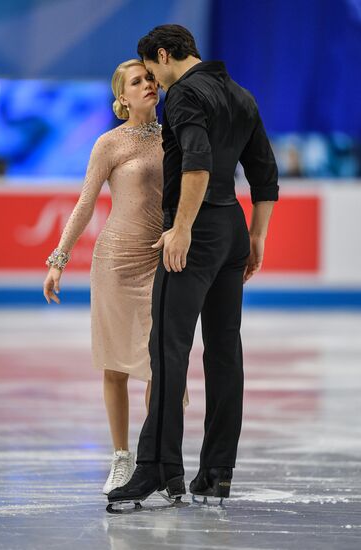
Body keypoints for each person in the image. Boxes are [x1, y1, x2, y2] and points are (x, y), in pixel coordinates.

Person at [108, 24, 279, 507]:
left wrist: (181, 228)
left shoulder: (183, 95)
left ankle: (156, 469)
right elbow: (265, 173)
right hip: (232, 231)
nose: (155, 84)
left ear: (163, 54)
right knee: (225, 351)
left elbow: (198, 163)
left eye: (154, 70)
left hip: (197, 229)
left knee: (168, 349)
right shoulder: (241, 95)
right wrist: (256, 237)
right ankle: (217, 472)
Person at [43, 58, 187, 496]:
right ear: (122, 97)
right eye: (136, 81)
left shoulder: (176, 138)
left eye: (149, 78)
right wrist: (59, 258)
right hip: (114, 264)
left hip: (159, 263)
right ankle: (123, 459)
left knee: (161, 369)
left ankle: (155, 457)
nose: (147, 84)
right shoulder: (108, 143)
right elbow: (86, 203)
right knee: (116, 367)